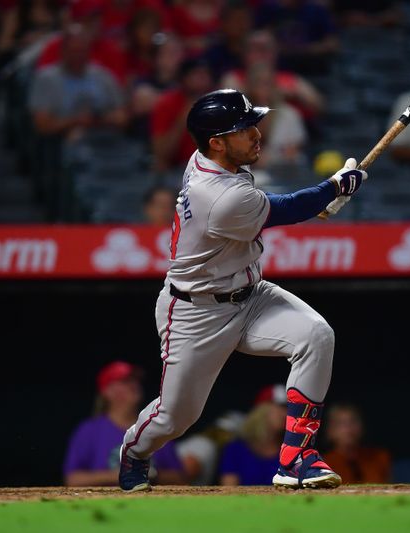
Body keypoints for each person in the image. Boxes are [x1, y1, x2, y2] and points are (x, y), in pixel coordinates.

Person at [118, 88, 367, 492]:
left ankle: (296, 457)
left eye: (253, 124)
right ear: (216, 142)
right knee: (175, 418)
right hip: (197, 313)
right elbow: (281, 209)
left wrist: (322, 199)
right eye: (243, 128)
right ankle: (134, 449)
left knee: (316, 335)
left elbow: (275, 206)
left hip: (250, 296)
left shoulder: (213, 160)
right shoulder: (216, 196)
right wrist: (334, 188)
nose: (256, 134)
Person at [63, 361, 186, 487]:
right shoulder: (89, 431)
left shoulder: (155, 426)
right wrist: (124, 475)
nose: (134, 384)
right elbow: (73, 479)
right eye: (125, 381)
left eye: (135, 380)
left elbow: (179, 478)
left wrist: (151, 474)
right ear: (107, 391)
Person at [28, 25, 128, 141]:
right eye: (74, 51)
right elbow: (42, 125)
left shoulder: (102, 75)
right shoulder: (46, 78)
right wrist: (75, 121)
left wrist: (100, 120)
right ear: (63, 51)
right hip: (66, 141)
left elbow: (123, 117)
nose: (78, 56)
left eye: (82, 51)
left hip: (104, 137)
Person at [220, 30, 324, 121]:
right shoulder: (233, 77)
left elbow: (318, 105)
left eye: (266, 49)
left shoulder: (290, 79)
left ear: (275, 53)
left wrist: (296, 95)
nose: (261, 54)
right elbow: (228, 106)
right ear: (244, 54)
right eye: (255, 49)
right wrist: (277, 94)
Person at [35, 0, 128, 85]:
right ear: (75, 22)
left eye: (98, 17)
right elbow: (44, 86)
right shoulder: (55, 47)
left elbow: (116, 90)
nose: (97, 24)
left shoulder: (111, 50)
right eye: (89, 20)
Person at [150, 57, 214, 173]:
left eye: (206, 73)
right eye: (197, 74)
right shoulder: (167, 103)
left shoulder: (219, 103)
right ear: (184, 78)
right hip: (176, 170)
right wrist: (185, 116)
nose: (203, 78)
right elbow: (161, 154)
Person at [255, 0, 340, 75]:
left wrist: (306, 49)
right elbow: (259, 39)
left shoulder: (317, 10)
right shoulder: (269, 8)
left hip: (314, 70)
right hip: (278, 71)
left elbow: (333, 44)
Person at [129, 33, 185, 139]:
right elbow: (141, 103)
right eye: (170, 53)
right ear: (156, 58)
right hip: (144, 143)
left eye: (179, 52)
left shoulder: (185, 83)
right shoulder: (143, 82)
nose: (178, 57)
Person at [219, 401, 287, 486]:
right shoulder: (236, 450)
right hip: (242, 499)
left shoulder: (291, 452)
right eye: (280, 408)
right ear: (261, 411)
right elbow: (229, 490)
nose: (285, 414)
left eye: (287, 409)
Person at [323, 405, 391, 485]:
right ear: (330, 431)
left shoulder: (380, 457)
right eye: (341, 423)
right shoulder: (323, 464)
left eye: (353, 421)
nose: (348, 428)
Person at [203, 1, 253, 79]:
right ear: (223, 23)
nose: (241, 25)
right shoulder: (213, 56)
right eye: (236, 20)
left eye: (244, 19)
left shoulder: (256, 53)